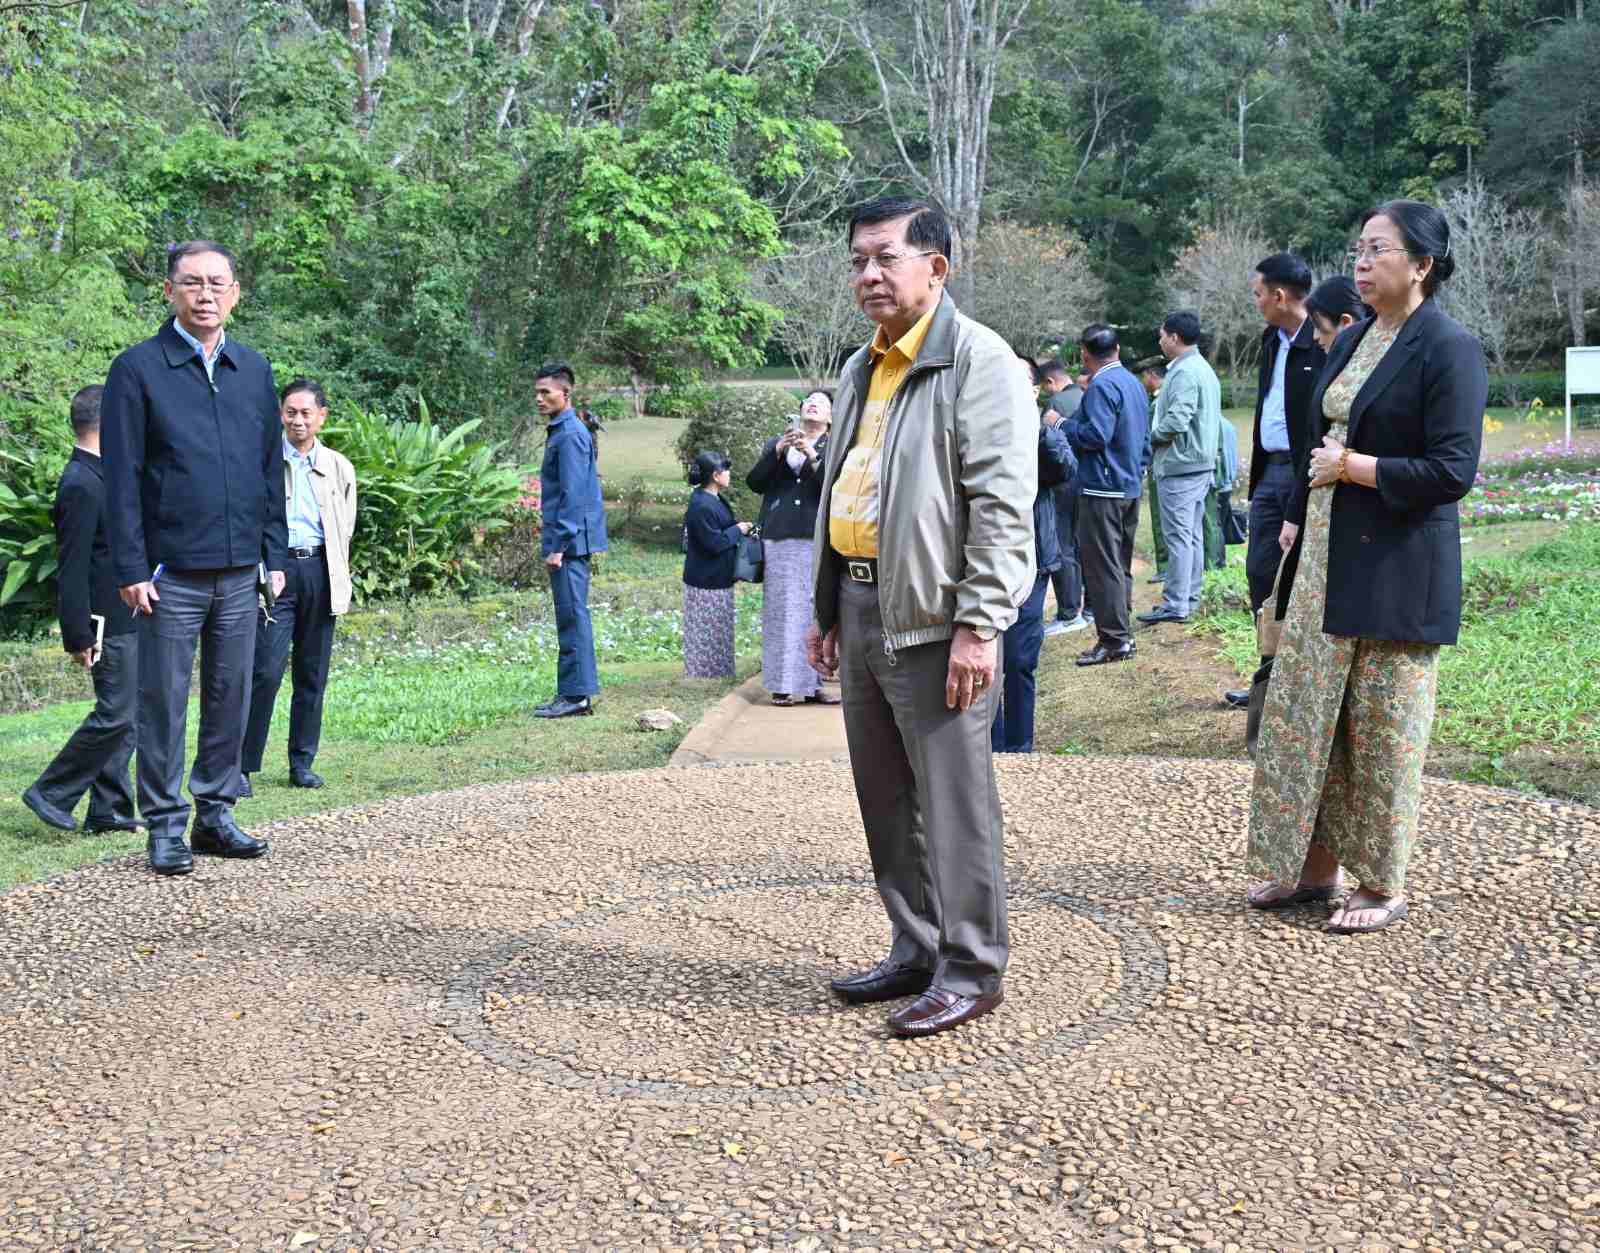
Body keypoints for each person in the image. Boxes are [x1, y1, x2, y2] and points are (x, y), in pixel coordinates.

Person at [806, 196, 1036, 1039]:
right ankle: (916, 945)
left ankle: (971, 968)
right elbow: (845, 484)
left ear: (936, 268)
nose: (868, 275)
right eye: (858, 261)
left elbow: (1002, 506)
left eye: (885, 257)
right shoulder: (860, 367)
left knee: (953, 802)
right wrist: (828, 605)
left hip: (939, 618)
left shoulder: (980, 361)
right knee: (884, 795)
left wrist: (981, 624)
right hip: (863, 601)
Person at [1245, 199, 1485, 935]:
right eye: (1359, 248)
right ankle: (1314, 869)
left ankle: (1382, 883)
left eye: (1380, 249)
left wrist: (1355, 467)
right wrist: (1298, 513)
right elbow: (1316, 440)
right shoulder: (1353, 338)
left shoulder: (1449, 347)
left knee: (1383, 727)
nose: (1362, 261)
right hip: (1326, 557)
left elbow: (1452, 470)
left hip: (1397, 567)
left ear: (1422, 264)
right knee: (1310, 717)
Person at [102, 240, 285, 876]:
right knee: (164, 702)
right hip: (167, 574)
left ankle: (215, 814)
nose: (205, 295)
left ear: (235, 293)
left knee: (231, 696)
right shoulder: (138, 369)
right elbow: (120, 478)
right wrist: (130, 567)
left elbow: (269, 469)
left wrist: (273, 553)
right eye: (192, 283)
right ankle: (164, 824)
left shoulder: (253, 370)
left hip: (239, 571)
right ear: (169, 291)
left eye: (217, 283)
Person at [21, 386, 140, 836]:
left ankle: (109, 809)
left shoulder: (102, 473)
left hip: (127, 613)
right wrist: (78, 633)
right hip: (105, 619)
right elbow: (71, 566)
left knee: (128, 716)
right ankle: (51, 792)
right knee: (116, 713)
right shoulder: (80, 482)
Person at [239, 380, 357, 795]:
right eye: (291, 412)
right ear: (281, 414)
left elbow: (346, 526)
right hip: (276, 571)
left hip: (321, 571)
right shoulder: (263, 461)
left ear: (322, 416)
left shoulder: (339, 466)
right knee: (265, 671)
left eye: (307, 413)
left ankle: (302, 763)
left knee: (312, 674)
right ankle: (242, 766)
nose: (298, 420)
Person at [1223, 252, 1327, 709]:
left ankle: (1305, 686)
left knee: (1304, 579)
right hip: (1270, 472)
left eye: (1258, 293)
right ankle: (1268, 680)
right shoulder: (1270, 339)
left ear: (1280, 295)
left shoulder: (1323, 340)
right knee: (1261, 573)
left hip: (1309, 471)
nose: (1257, 301)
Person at [1063, 324, 1150, 667]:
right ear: (1118, 349)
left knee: (1102, 567)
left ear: (1085, 354)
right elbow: (1144, 437)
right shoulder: (1133, 383)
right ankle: (1122, 634)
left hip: (1102, 488)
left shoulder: (1101, 385)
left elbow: (1095, 435)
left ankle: (1114, 640)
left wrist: (1061, 424)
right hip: (1128, 485)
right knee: (1119, 564)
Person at [993, 383, 1074, 751]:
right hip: (984, 560)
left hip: (1032, 561)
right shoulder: (980, 428)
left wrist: (1039, 429)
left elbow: (1065, 469)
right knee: (985, 658)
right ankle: (989, 747)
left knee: (1020, 659)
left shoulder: (1043, 436)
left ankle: (1019, 747)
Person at [746, 390, 837, 706]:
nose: (813, 404)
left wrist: (812, 455)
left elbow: (834, 485)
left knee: (816, 608)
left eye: (821, 403)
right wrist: (776, 453)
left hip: (817, 534)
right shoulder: (778, 443)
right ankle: (781, 684)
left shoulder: (833, 445)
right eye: (808, 401)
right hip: (781, 535)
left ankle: (813, 684)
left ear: (830, 417)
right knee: (782, 610)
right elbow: (755, 483)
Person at [1138, 313, 1222, 626]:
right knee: (1191, 536)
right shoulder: (1202, 367)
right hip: (1197, 464)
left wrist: (1148, 437)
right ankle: (1189, 598)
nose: (1160, 341)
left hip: (1182, 465)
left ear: (1174, 337)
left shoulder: (1185, 371)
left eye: (1162, 335)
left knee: (1178, 537)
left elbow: (1177, 419)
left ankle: (1176, 604)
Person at [535, 362, 608, 719]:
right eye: (537, 393)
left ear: (565, 393)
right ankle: (572, 691)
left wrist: (558, 547)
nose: (539, 399)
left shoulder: (569, 434)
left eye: (545, 392)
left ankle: (576, 696)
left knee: (572, 616)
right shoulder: (563, 430)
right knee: (570, 614)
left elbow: (573, 495)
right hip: (568, 541)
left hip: (569, 544)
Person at [682, 450, 750, 679]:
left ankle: (718, 672)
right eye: (726, 470)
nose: (729, 474)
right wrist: (738, 529)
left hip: (717, 576)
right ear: (715, 475)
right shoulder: (702, 505)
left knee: (718, 628)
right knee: (705, 630)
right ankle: (703, 674)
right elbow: (714, 543)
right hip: (705, 579)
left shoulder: (714, 499)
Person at [1039, 360, 1090, 637]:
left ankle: (1069, 613)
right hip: (1087, 482)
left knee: (1063, 547)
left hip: (1063, 485)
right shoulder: (1086, 396)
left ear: (1050, 382)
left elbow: (1051, 448)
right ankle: (1090, 608)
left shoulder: (1056, 404)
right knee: (1082, 545)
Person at [1134, 356, 1169, 587]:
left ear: (1152, 375)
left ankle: (1165, 567)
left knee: (1160, 518)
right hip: (1161, 465)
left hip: (1160, 465)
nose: (1143, 381)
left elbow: (1154, 433)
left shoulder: (1159, 401)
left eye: (1144, 376)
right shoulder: (1161, 398)